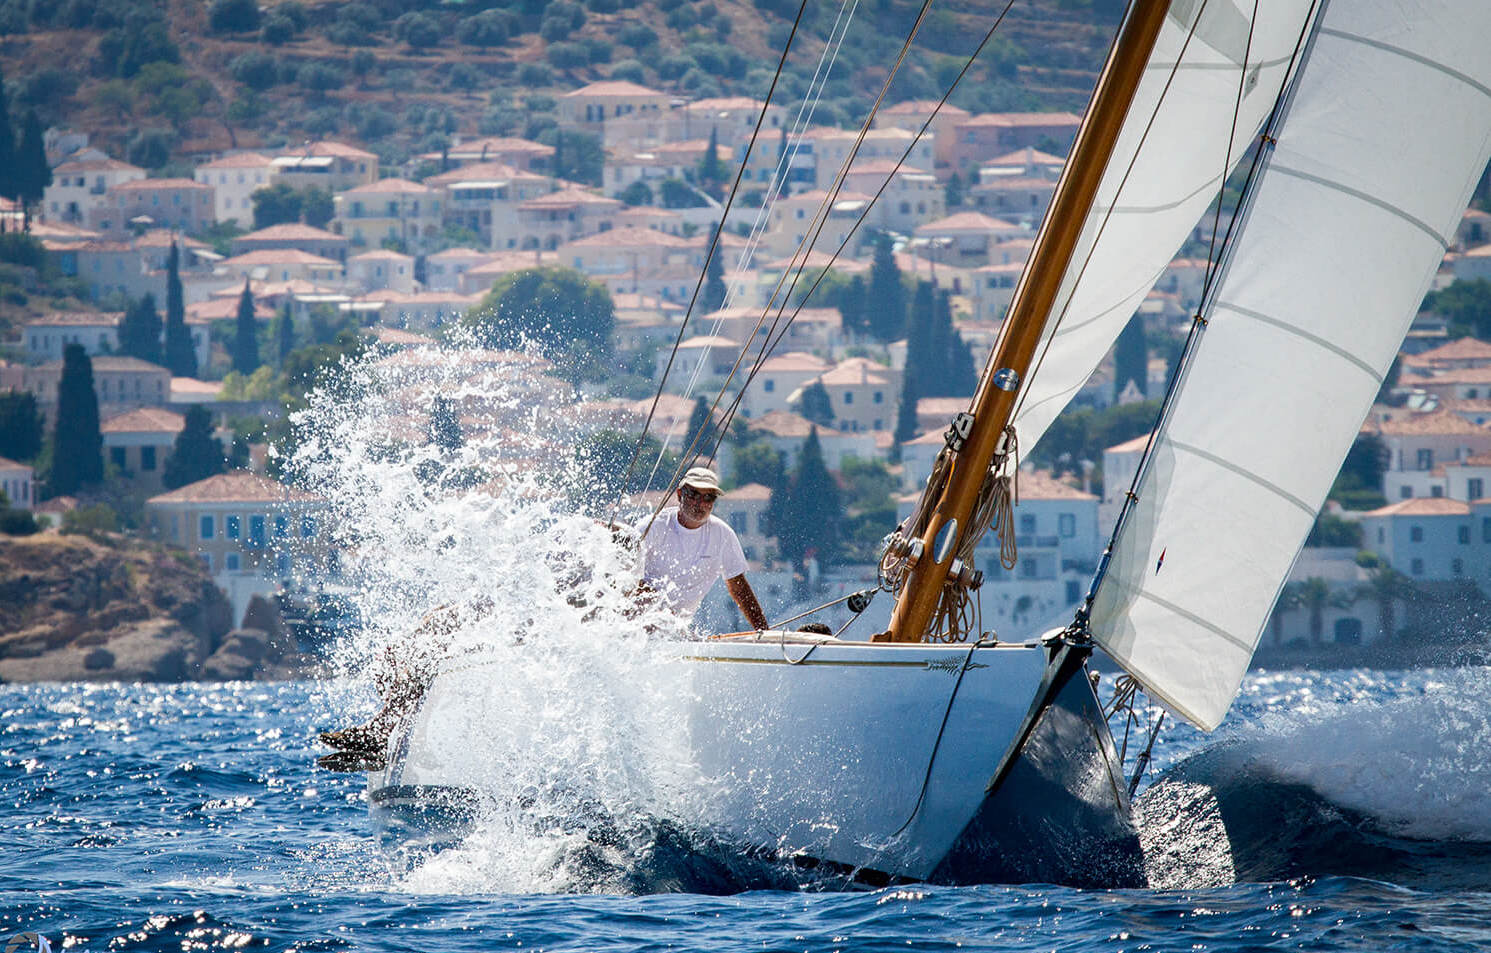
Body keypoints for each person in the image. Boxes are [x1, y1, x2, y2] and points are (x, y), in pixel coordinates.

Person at [633, 465, 769, 631]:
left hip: (675, 631)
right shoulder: (652, 526)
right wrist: (659, 609)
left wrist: (763, 631)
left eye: (708, 498)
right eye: (693, 494)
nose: (700, 503)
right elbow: (626, 577)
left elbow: (738, 587)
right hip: (636, 625)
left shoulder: (723, 534)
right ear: (679, 494)